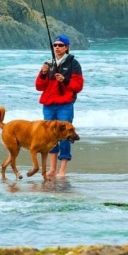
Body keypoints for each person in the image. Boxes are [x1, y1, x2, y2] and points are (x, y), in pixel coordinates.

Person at [36, 35, 83, 178]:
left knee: (65, 136)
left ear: (67, 47)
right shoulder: (48, 63)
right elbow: (39, 86)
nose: (57, 47)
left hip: (65, 105)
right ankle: (52, 169)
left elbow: (78, 86)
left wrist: (65, 79)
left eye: (60, 45)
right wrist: (43, 74)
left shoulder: (73, 64)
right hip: (49, 105)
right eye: (55, 45)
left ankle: (62, 170)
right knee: (50, 137)